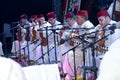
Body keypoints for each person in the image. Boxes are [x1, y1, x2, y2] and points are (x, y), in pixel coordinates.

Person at [95, 10, 120, 76]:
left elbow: (114, 48)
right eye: (99, 21)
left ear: (107, 18)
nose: (100, 22)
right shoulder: (103, 27)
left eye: (101, 20)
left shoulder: (115, 27)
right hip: (107, 54)